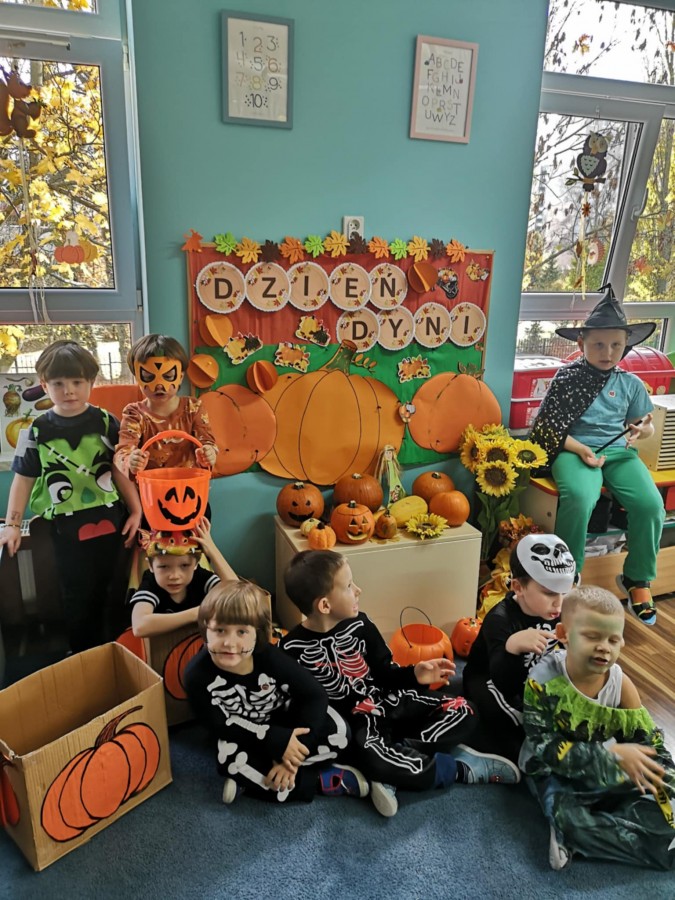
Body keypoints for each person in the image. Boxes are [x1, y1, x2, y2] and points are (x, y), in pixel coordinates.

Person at [280, 549, 521, 819]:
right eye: (348, 586)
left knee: (465, 710)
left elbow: (386, 670)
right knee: (370, 756)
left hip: (390, 699)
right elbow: (297, 707)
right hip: (359, 723)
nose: (358, 590)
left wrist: (416, 675)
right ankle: (457, 768)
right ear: (325, 605)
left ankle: (396, 760)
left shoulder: (361, 624)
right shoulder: (289, 650)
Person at [530, 284, 665, 626]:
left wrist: (641, 430)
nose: (608, 352)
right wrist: (581, 449)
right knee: (578, 497)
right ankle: (567, 575)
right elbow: (548, 429)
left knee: (651, 505)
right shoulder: (566, 378)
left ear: (626, 344)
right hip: (574, 450)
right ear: (581, 344)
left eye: (616, 345)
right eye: (599, 344)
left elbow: (645, 425)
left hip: (619, 454)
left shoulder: (630, 383)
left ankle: (638, 579)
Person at [520, 585, 675, 871]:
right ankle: (581, 832)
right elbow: (546, 750)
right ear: (563, 634)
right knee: (572, 820)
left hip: (608, 767)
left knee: (668, 799)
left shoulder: (621, 684)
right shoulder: (542, 681)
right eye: (592, 637)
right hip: (554, 773)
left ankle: (604, 833)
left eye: (613, 640)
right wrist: (611, 756)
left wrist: (665, 779)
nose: (604, 647)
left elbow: (651, 743)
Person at [0, 340, 142, 652]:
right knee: (77, 593)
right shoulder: (35, 430)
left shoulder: (106, 421)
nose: (69, 391)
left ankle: (118, 650)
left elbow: (119, 469)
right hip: (66, 528)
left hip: (112, 522)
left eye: (77, 382)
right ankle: (83, 654)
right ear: (44, 385)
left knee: (115, 590)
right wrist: (12, 525)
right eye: (58, 384)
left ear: (91, 382)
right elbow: (23, 480)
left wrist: (136, 510)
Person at [184, 580, 367, 805]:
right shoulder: (196, 675)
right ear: (205, 629)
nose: (230, 643)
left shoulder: (269, 657)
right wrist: (274, 741)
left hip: (287, 721)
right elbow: (219, 725)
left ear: (258, 633)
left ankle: (256, 779)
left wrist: (293, 756)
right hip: (241, 734)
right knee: (228, 758)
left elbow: (314, 695)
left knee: (340, 732)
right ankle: (319, 780)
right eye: (220, 630)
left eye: (242, 632)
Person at [463, 533, 577, 763]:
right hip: (491, 677)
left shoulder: (562, 610)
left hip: (536, 677)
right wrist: (512, 647)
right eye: (549, 592)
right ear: (518, 587)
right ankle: (521, 755)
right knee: (509, 714)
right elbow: (504, 683)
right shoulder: (499, 619)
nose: (559, 602)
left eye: (565, 591)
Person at [113, 334, 217, 478]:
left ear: (180, 377)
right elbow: (123, 451)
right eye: (148, 377)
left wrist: (208, 454)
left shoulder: (193, 408)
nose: (159, 386)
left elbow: (207, 443)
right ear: (137, 378)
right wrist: (130, 460)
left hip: (190, 486)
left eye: (168, 376)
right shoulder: (134, 414)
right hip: (151, 488)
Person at [128, 517, 237, 638]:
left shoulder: (200, 577)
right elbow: (139, 626)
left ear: (196, 564)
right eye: (163, 567)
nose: (174, 576)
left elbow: (238, 595)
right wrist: (198, 613)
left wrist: (211, 549)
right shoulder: (151, 582)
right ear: (150, 566)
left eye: (184, 566)